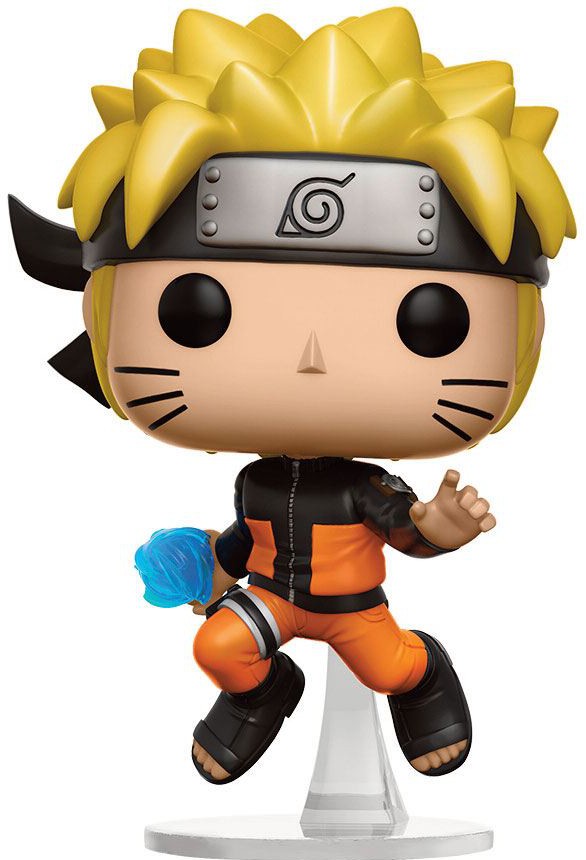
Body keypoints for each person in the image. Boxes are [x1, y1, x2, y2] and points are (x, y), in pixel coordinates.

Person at [9, 8, 574, 784]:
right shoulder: (256, 484)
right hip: (272, 600)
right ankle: (262, 691)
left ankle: (426, 677)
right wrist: (212, 568)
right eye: (196, 310)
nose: (312, 359)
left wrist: (440, 529)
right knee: (216, 644)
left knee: (388, 669)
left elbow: (403, 531)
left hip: (355, 612)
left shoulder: (364, 487)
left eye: (430, 321)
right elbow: (246, 543)